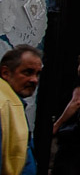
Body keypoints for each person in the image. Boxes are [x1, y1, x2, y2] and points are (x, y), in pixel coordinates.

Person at [0, 45, 41, 175]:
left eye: (37, 74)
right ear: (5, 73)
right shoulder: (4, 104)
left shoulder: (13, 102)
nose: (34, 80)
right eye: (27, 72)